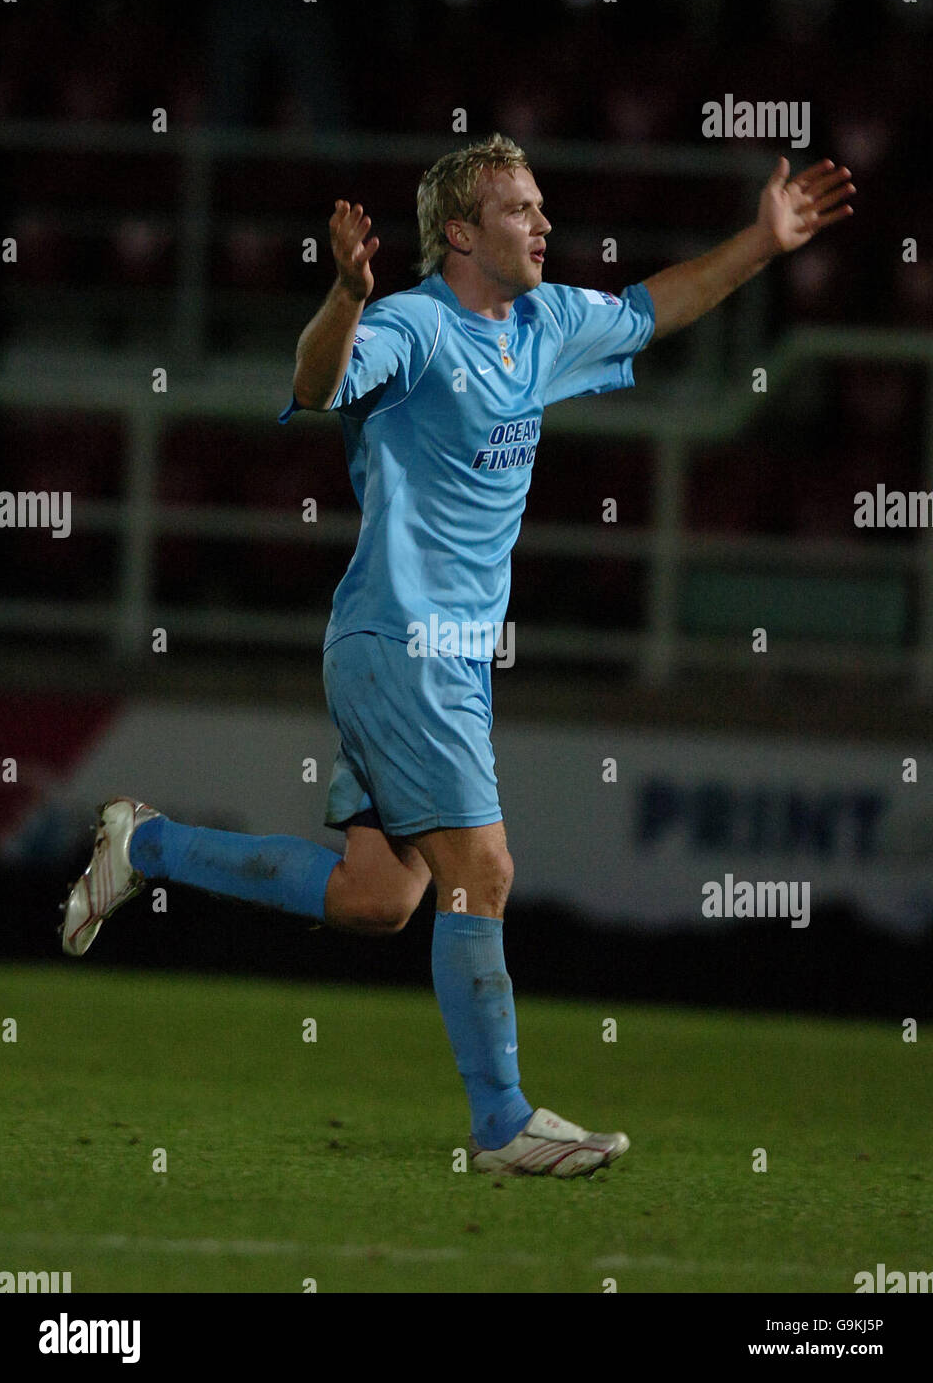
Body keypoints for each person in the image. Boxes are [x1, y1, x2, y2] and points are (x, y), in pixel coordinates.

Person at [61, 134, 854, 1177]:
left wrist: (759, 240)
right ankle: (500, 1123)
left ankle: (146, 845)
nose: (543, 223)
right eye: (521, 209)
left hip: (447, 657)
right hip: (399, 640)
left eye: (540, 205)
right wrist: (346, 292)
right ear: (462, 232)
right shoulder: (411, 326)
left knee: (376, 899)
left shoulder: (543, 322)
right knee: (482, 868)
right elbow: (317, 381)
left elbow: (656, 306)